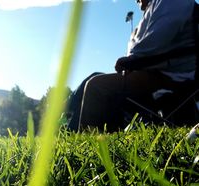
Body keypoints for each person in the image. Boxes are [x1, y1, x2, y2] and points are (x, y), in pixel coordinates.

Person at [67, 0, 197, 131]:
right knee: (95, 77)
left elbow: (146, 47)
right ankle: (67, 122)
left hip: (171, 80)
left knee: (97, 86)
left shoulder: (170, 2)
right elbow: (140, 48)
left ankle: (82, 140)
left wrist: (131, 58)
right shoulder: (158, 5)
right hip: (159, 73)